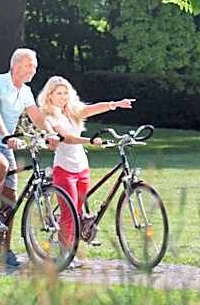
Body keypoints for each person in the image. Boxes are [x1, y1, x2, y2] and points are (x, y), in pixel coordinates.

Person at [0, 48, 58, 268]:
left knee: (11, 199)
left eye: (35, 66)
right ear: (16, 65)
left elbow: (36, 116)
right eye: (29, 65)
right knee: (1, 164)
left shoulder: (25, 91)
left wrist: (51, 133)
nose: (33, 70)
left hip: (4, 143)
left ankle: (4, 252)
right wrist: (6, 136)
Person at [37, 76, 135, 265]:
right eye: (59, 93)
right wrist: (89, 141)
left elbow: (91, 109)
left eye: (65, 93)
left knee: (78, 211)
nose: (63, 97)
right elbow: (67, 138)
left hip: (82, 167)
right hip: (64, 168)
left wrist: (115, 104)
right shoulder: (50, 117)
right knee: (69, 212)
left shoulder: (72, 112)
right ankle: (65, 254)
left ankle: (70, 245)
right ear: (49, 95)